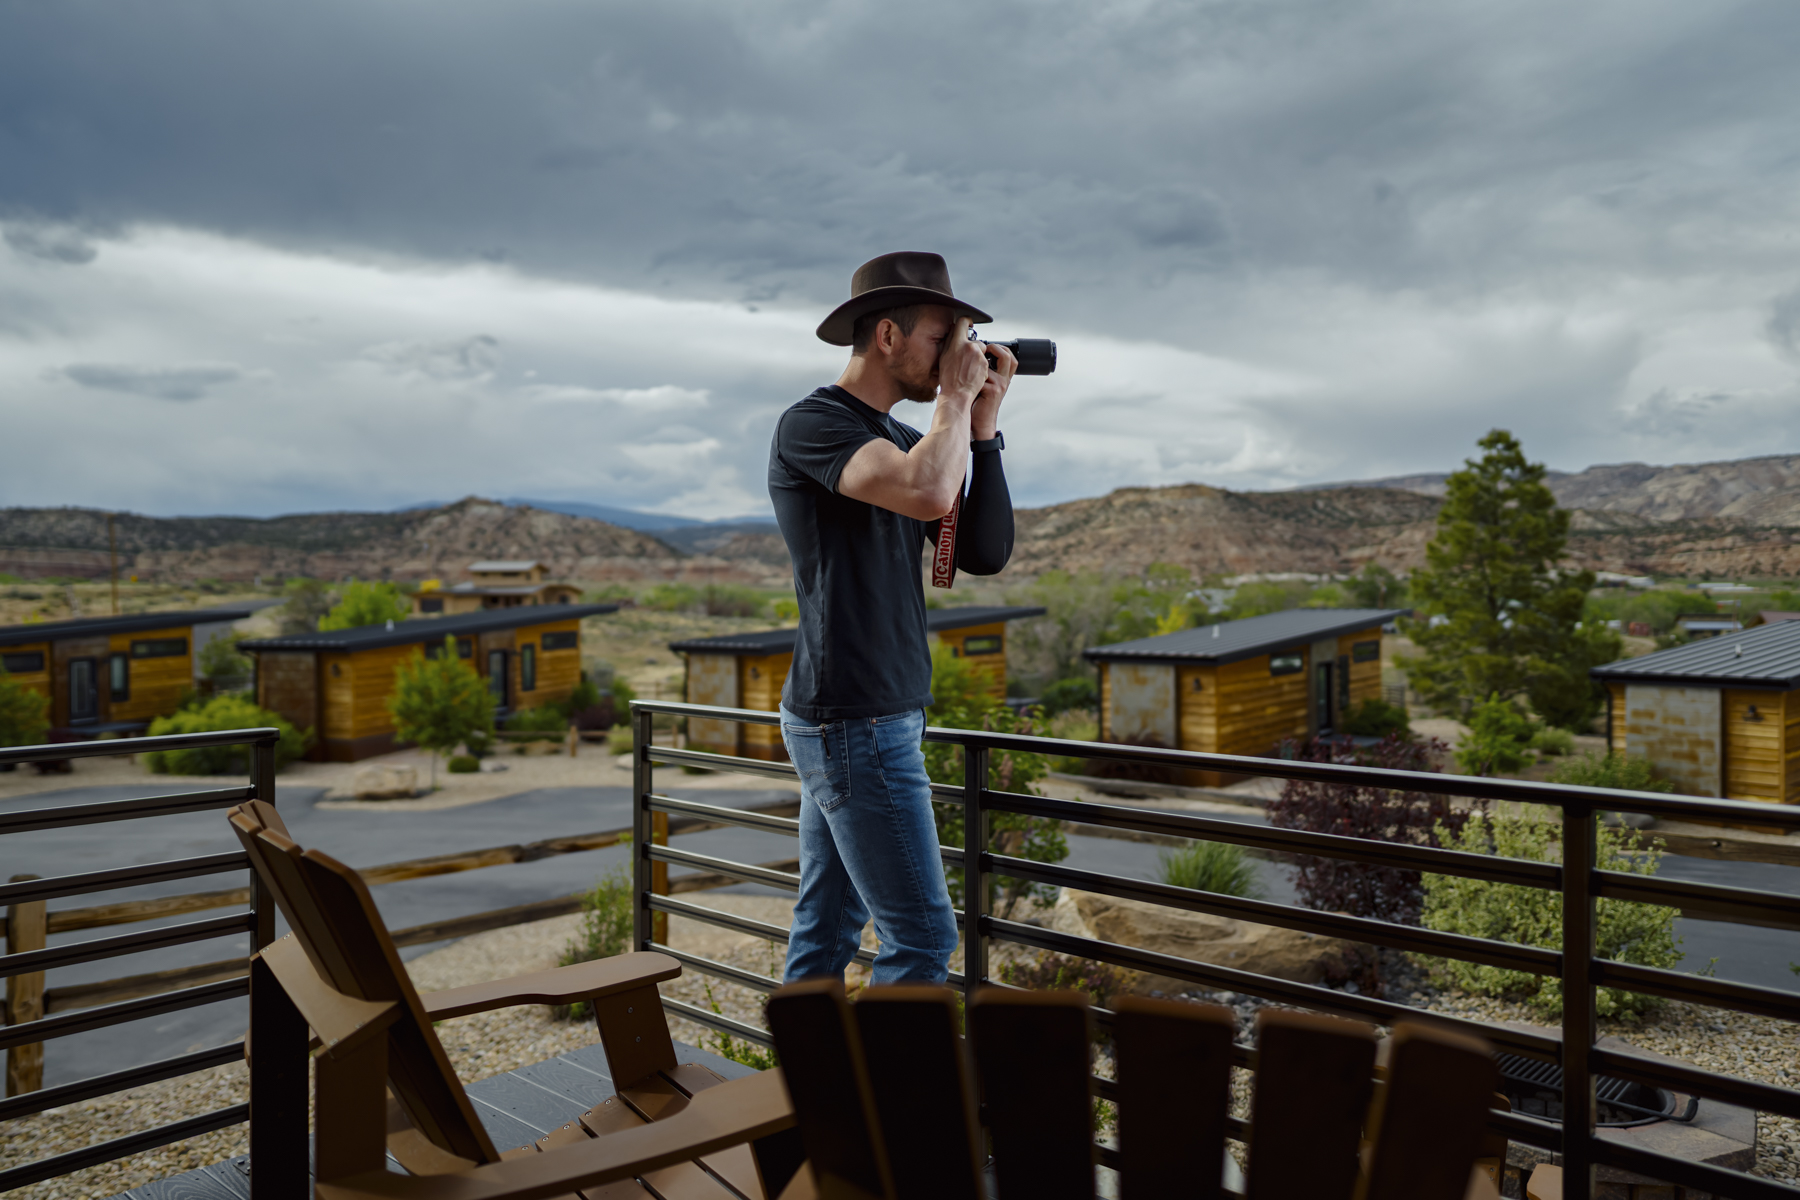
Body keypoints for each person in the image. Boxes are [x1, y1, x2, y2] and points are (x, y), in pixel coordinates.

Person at [768, 250, 1017, 984]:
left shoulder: (909, 441)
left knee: (830, 921)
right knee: (921, 938)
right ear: (887, 336)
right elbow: (925, 495)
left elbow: (983, 553)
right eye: (944, 338)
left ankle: (807, 1090)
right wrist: (950, 403)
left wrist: (982, 424)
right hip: (855, 718)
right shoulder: (812, 424)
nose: (957, 358)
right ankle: (893, 1100)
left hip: (873, 714)